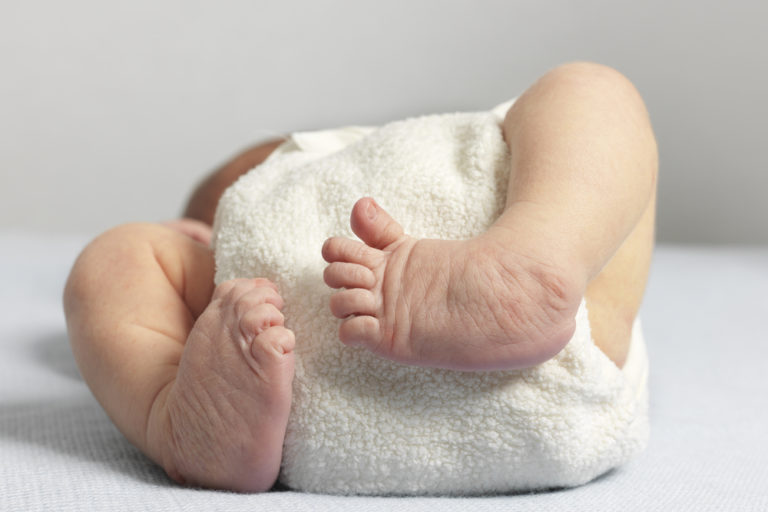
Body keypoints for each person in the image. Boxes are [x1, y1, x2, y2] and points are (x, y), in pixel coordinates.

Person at [63, 61, 657, 492]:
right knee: (591, 95)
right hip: (574, 378)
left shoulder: (207, 275)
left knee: (113, 260)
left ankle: (172, 419)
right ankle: (538, 256)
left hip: (304, 421)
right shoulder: (218, 256)